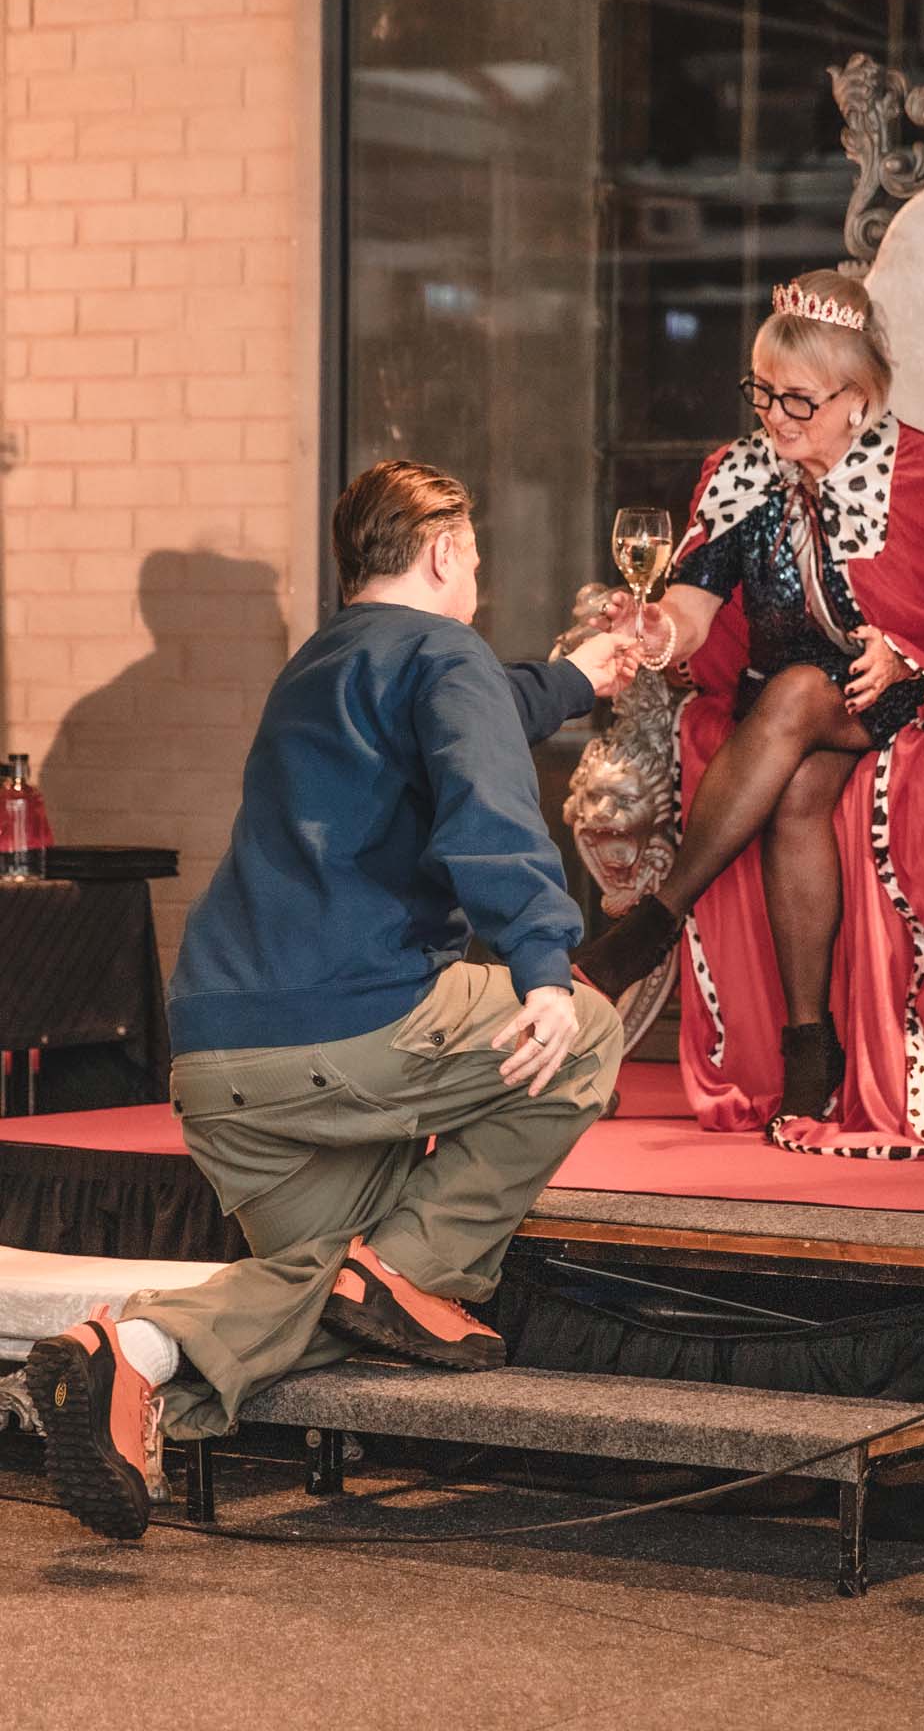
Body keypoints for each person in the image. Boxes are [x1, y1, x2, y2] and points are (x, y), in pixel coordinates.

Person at [27, 459, 634, 1541]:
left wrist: (572, 680)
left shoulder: (317, 664)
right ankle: (400, 1274)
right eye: (476, 559)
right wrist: (543, 967)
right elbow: (487, 809)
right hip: (348, 1031)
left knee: (327, 1289)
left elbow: (473, 706)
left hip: (216, 1062)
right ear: (445, 552)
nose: (477, 578)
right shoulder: (444, 653)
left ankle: (132, 1353)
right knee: (584, 1032)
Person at [573, 271, 924, 1160]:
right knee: (794, 790)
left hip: (884, 688)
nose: (776, 418)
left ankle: (653, 923)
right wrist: (652, 627)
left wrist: (905, 651)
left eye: (798, 400)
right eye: (762, 393)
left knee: (794, 694)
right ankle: (807, 1047)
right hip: (781, 704)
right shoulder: (740, 473)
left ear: (857, 397)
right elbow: (692, 614)